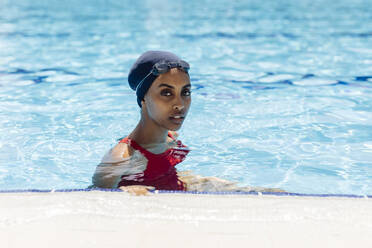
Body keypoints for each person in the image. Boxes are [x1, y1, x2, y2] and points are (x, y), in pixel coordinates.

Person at [91, 51, 284, 195]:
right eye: (166, 93)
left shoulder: (169, 137)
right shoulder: (121, 157)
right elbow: (92, 198)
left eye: (185, 92)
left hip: (182, 187)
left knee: (268, 194)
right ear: (143, 99)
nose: (179, 104)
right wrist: (128, 194)